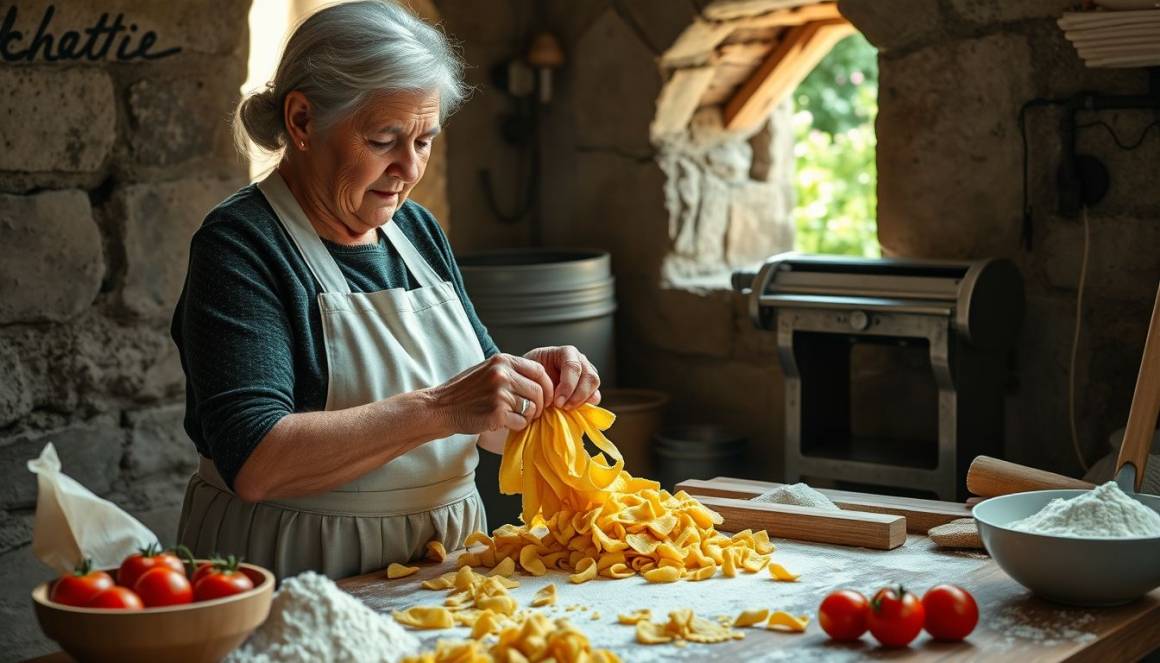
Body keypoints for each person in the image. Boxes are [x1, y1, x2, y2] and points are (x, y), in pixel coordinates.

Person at [172, 0, 600, 580]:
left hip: (443, 564)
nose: (408, 168)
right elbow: (255, 461)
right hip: (292, 563)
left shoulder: (418, 232)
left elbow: (485, 427)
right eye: (383, 140)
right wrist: (443, 405)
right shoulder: (241, 245)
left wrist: (531, 390)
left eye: (423, 141)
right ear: (301, 121)